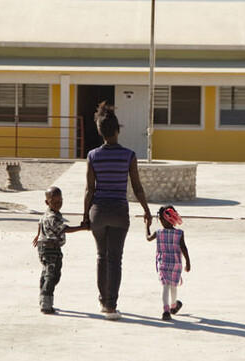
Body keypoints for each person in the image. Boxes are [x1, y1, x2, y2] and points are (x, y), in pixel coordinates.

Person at [83, 102, 153, 321]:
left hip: (98, 212)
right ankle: (112, 306)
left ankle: (103, 302)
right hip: (119, 212)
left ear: (100, 132)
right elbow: (137, 187)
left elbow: (89, 189)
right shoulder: (129, 155)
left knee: (101, 256)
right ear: (118, 130)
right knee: (115, 258)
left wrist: (85, 216)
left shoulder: (93, 156)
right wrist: (146, 210)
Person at [32, 186, 88, 314]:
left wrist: (39, 235)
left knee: (47, 273)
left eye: (60, 201)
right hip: (51, 250)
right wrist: (82, 227)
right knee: (52, 276)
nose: (58, 204)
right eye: (55, 202)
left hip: (45, 249)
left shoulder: (48, 213)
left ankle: (43, 299)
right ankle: (46, 305)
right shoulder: (53, 217)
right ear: (47, 202)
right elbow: (64, 229)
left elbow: (40, 223)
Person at [146, 205, 191, 321]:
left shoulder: (158, 232)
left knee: (165, 285)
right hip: (176, 264)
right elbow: (184, 248)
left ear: (162, 219)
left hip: (163, 264)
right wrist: (188, 262)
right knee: (173, 285)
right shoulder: (179, 233)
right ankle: (174, 305)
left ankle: (166, 310)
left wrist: (147, 226)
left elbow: (148, 238)